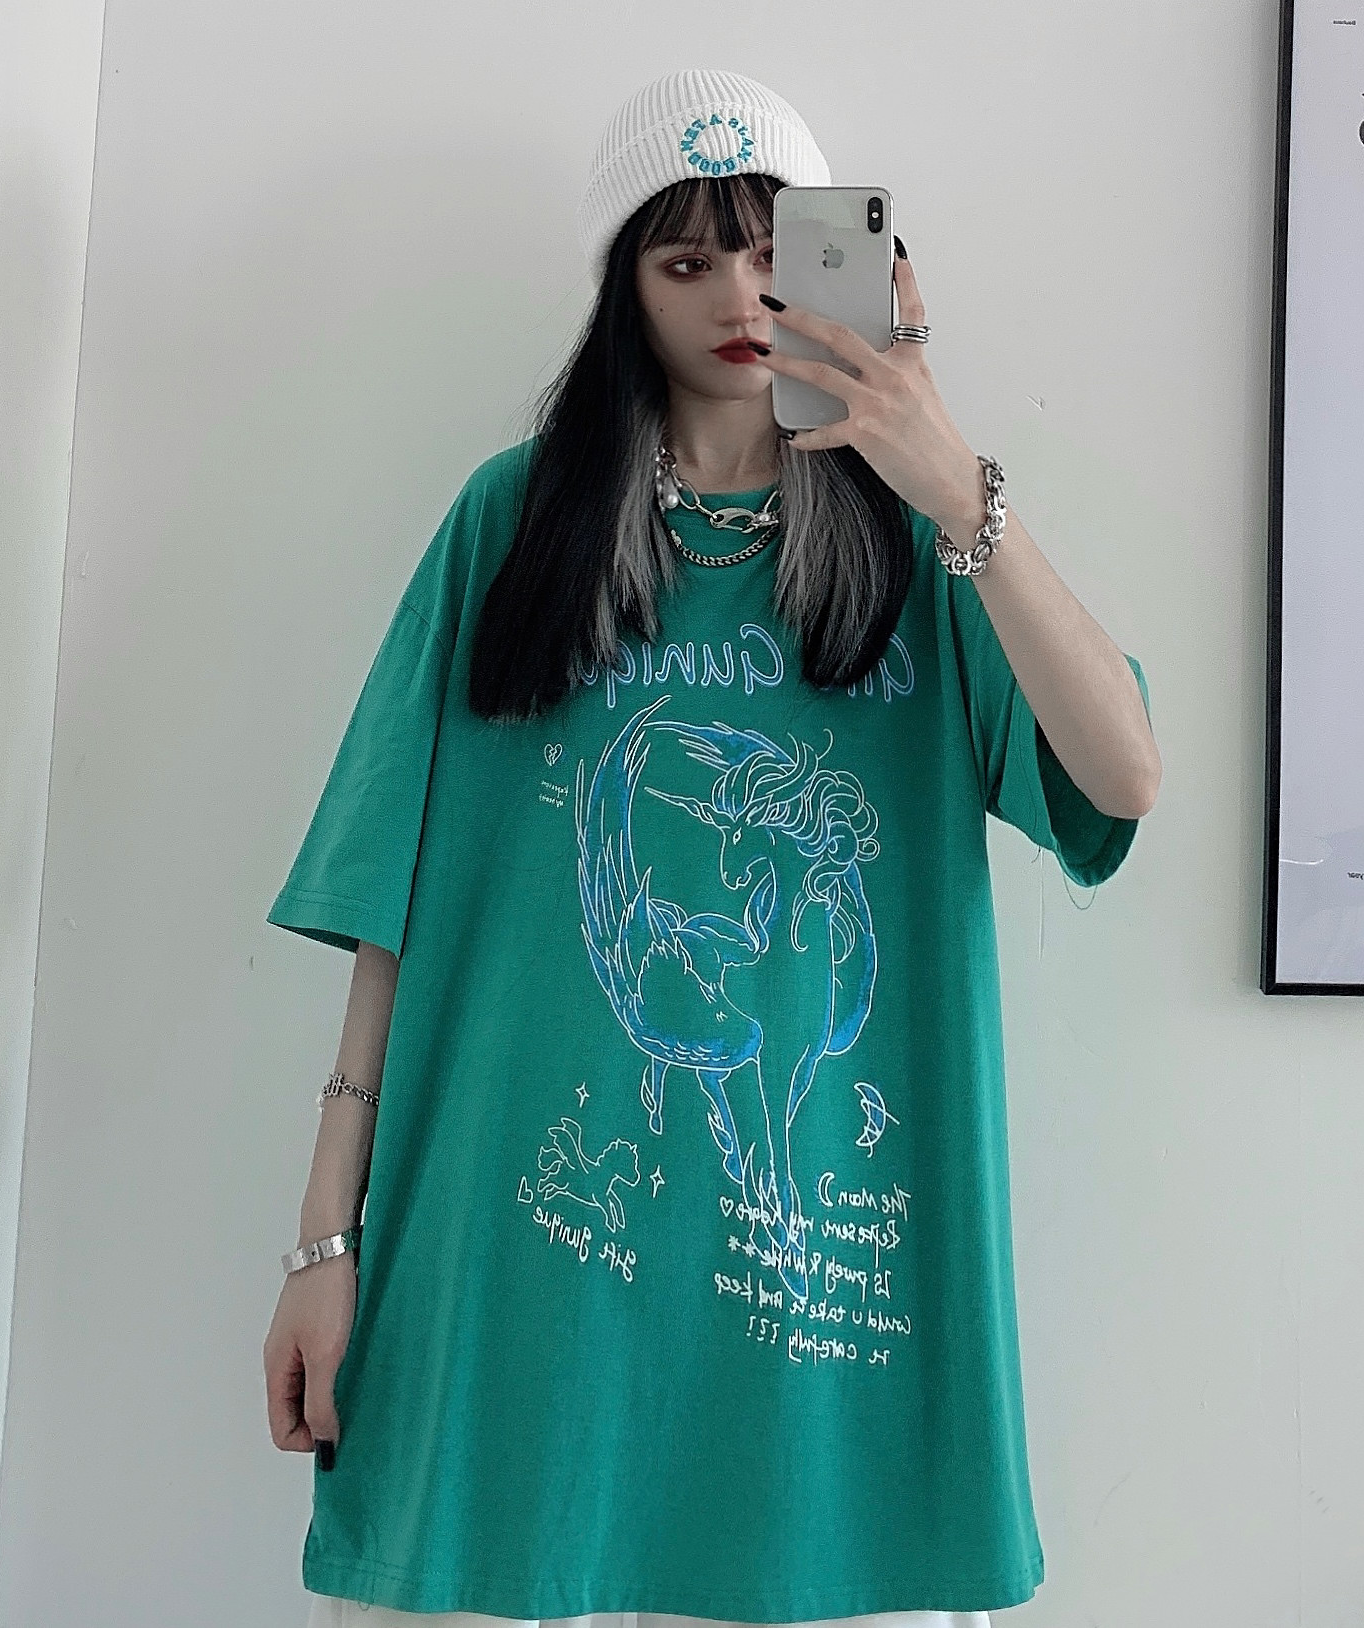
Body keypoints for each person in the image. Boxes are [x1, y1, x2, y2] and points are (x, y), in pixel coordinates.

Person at [262, 68, 1160, 1628]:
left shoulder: (919, 549)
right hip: (525, 1311)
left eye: (770, 253)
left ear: (838, 262)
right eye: (686, 262)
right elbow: (390, 922)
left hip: (825, 1330)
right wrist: (323, 1241)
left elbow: (1124, 776)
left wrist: (952, 478)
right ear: (626, 291)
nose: (740, 299)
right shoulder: (511, 529)